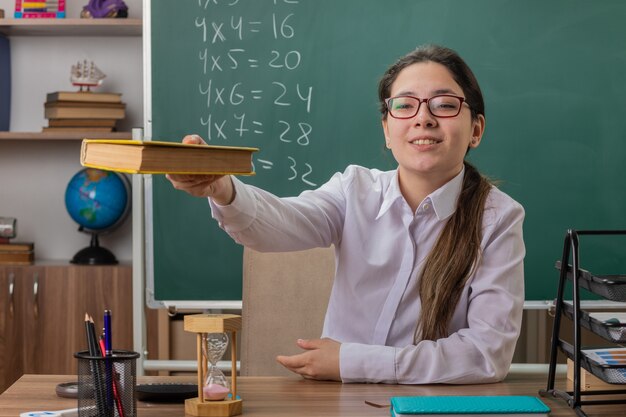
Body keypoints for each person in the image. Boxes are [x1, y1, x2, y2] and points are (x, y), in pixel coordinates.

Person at [167, 44, 525, 385]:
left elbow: (486, 354)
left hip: (434, 401)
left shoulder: (498, 217)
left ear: (475, 130)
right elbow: (279, 224)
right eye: (405, 106)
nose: (423, 119)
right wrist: (223, 188)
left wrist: (351, 361)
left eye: (444, 105)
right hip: (340, 400)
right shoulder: (354, 190)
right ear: (387, 129)